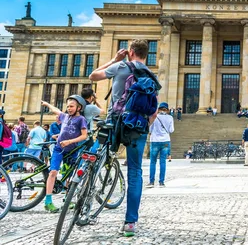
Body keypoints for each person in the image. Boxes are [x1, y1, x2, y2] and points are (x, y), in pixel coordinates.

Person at [89, 39, 154, 237]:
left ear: (131, 52)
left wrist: (113, 59)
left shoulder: (120, 66)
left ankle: (80, 196)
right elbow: (154, 111)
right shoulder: (151, 76)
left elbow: (93, 77)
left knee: (94, 156)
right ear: (146, 54)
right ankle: (130, 223)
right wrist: (143, 127)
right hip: (137, 127)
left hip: (114, 124)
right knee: (134, 171)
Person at [42, 96, 88, 212]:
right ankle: (48, 201)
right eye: (67, 106)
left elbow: (84, 135)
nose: (69, 108)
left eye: (71, 106)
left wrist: (69, 141)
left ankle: (67, 199)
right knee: (53, 172)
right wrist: (47, 104)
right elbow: (56, 110)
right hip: (59, 149)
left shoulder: (81, 119)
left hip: (72, 150)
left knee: (69, 175)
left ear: (79, 107)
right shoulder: (65, 116)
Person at [147, 102, 174, 188]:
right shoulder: (170, 118)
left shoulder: (155, 117)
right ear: (167, 109)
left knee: (153, 162)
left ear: (159, 109)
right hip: (165, 141)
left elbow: (150, 129)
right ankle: (161, 182)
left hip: (155, 141)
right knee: (163, 162)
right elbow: (171, 130)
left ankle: (151, 182)